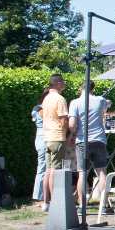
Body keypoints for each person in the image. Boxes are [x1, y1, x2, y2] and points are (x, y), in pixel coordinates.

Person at [68, 84, 112, 205]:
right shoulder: (100, 100)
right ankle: (104, 205)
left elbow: (72, 124)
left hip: (82, 141)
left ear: (80, 89)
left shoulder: (74, 103)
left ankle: (82, 205)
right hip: (99, 140)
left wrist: (73, 134)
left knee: (82, 173)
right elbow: (109, 103)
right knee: (102, 172)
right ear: (93, 89)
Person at [40, 74, 70, 210]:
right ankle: (55, 203)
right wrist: (68, 135)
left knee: (48, 170)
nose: (64, 84)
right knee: (55, 171)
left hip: (47, 137)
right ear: (57, 83)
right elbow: (64, 120)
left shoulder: (46, 99)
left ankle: (45, 202)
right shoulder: (60, 99)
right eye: (63, 81)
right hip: (57, 137)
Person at [30, 90, 49, 208]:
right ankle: (39, 196)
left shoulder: (35, 108)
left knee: (43, 167)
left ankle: (40, 196)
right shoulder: (41, 109)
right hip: (45, 138)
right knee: (43, 167)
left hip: (39, 138)